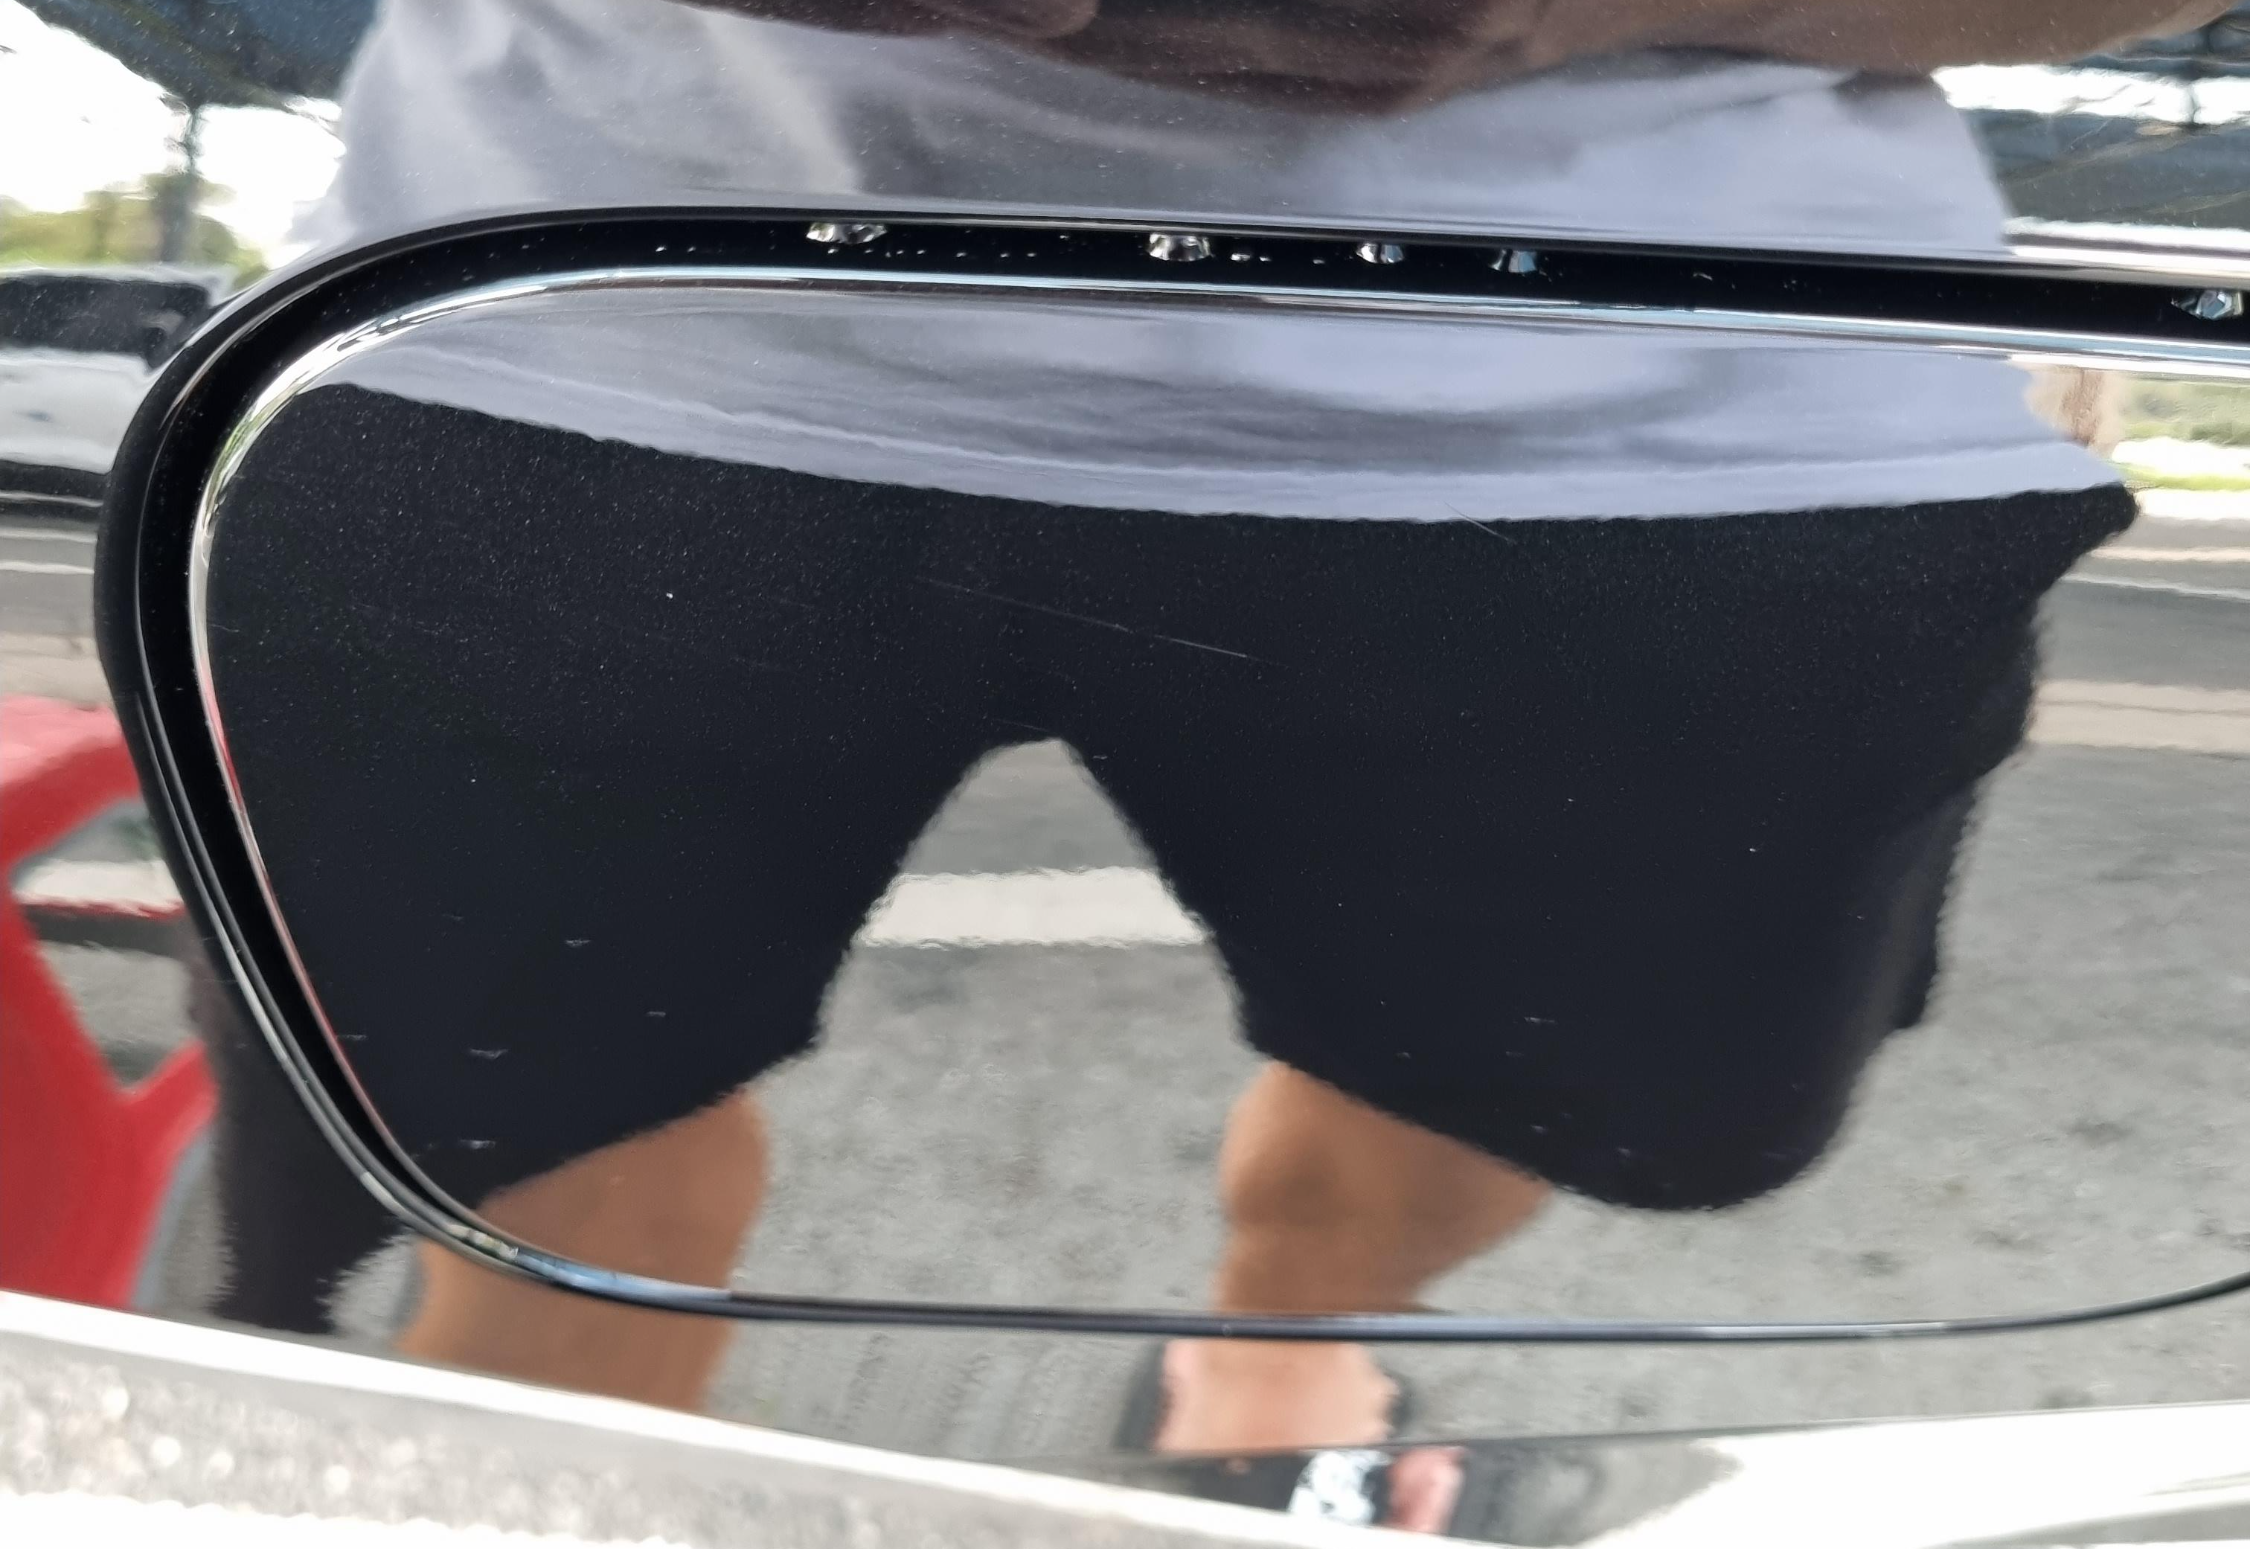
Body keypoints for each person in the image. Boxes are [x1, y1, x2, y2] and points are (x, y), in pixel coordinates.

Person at [193, 0, 2218, 1511]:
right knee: (499, 1140)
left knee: (1574, 1098)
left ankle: (1290, 1352)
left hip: (1663, 385)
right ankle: (558, 1451)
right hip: (560, 308)